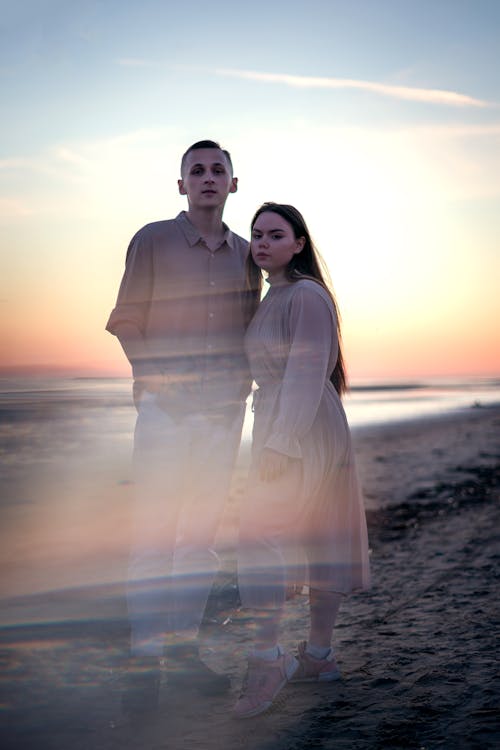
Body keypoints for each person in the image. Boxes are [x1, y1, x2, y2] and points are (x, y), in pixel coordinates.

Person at [106, 140, 251, 715]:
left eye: (219, 170)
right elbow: (125, 322)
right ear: (182, 185)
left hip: (222, 416)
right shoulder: (152, 240)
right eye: (198, 170)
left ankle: (185, 654)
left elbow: (251, 333)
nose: (208, 178)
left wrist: (242, 389)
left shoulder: (248, 254)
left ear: (234, 184)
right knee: (152, 539)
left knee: (199, 542)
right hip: (165, 415)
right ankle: (143, 663)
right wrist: (161, 383)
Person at [234, 203, 370, 719]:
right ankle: (317, 657)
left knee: (261, 534)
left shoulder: (307, 295)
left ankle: (268, 658)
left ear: (298, 243)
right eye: (256, 235)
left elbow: (308, 371)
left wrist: (281, 441)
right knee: (316, 533)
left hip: (302, 424)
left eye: (275, 234)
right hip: (282, 420)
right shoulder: (274, 296)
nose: (262, 242)